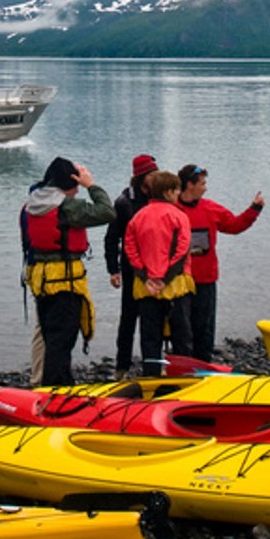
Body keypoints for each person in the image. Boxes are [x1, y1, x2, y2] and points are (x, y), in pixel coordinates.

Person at [20, 156, 115, 386]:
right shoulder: (67, 207)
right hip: (64, 281)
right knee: (62, 339)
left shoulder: (31, 204)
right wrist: (90, 185)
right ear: (71, 182)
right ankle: (57, 389)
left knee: (49, 335)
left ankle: (46, 382)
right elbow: (107, 212)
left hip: (40, 279)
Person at [176, 164, 265, 363]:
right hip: (179, 281)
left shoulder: (209, 208)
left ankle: (203, 364)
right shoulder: (173, 209)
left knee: (204, 327)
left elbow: (234, 225)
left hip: (205, 278)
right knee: (181, 328)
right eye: (202, 183)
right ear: (189, 185)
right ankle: (181, 365)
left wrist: (254, 209)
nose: (205, 188)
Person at [124, 169, 194, 377]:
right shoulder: (178, 216)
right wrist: (165, 279)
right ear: (168, 192)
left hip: (146, 287)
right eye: (176, 190)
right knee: (181, 335)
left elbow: (130, 249)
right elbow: (182, 251)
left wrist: (146, 276)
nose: (178, 194)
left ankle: (151, 377)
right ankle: (182, 377)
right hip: (173, 285)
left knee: (150, 336)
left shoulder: (138, 217)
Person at [103, 153, 159, 379]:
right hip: (132, 269)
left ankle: (155, 366)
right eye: (152, 174)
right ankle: (122, 366)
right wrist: (113, 269)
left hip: (156, 268)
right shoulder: (124, 202)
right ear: (142, 177)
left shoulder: (159, 197)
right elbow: (111, 238)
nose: (156, 177)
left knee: (155, 318)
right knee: (129, 318)